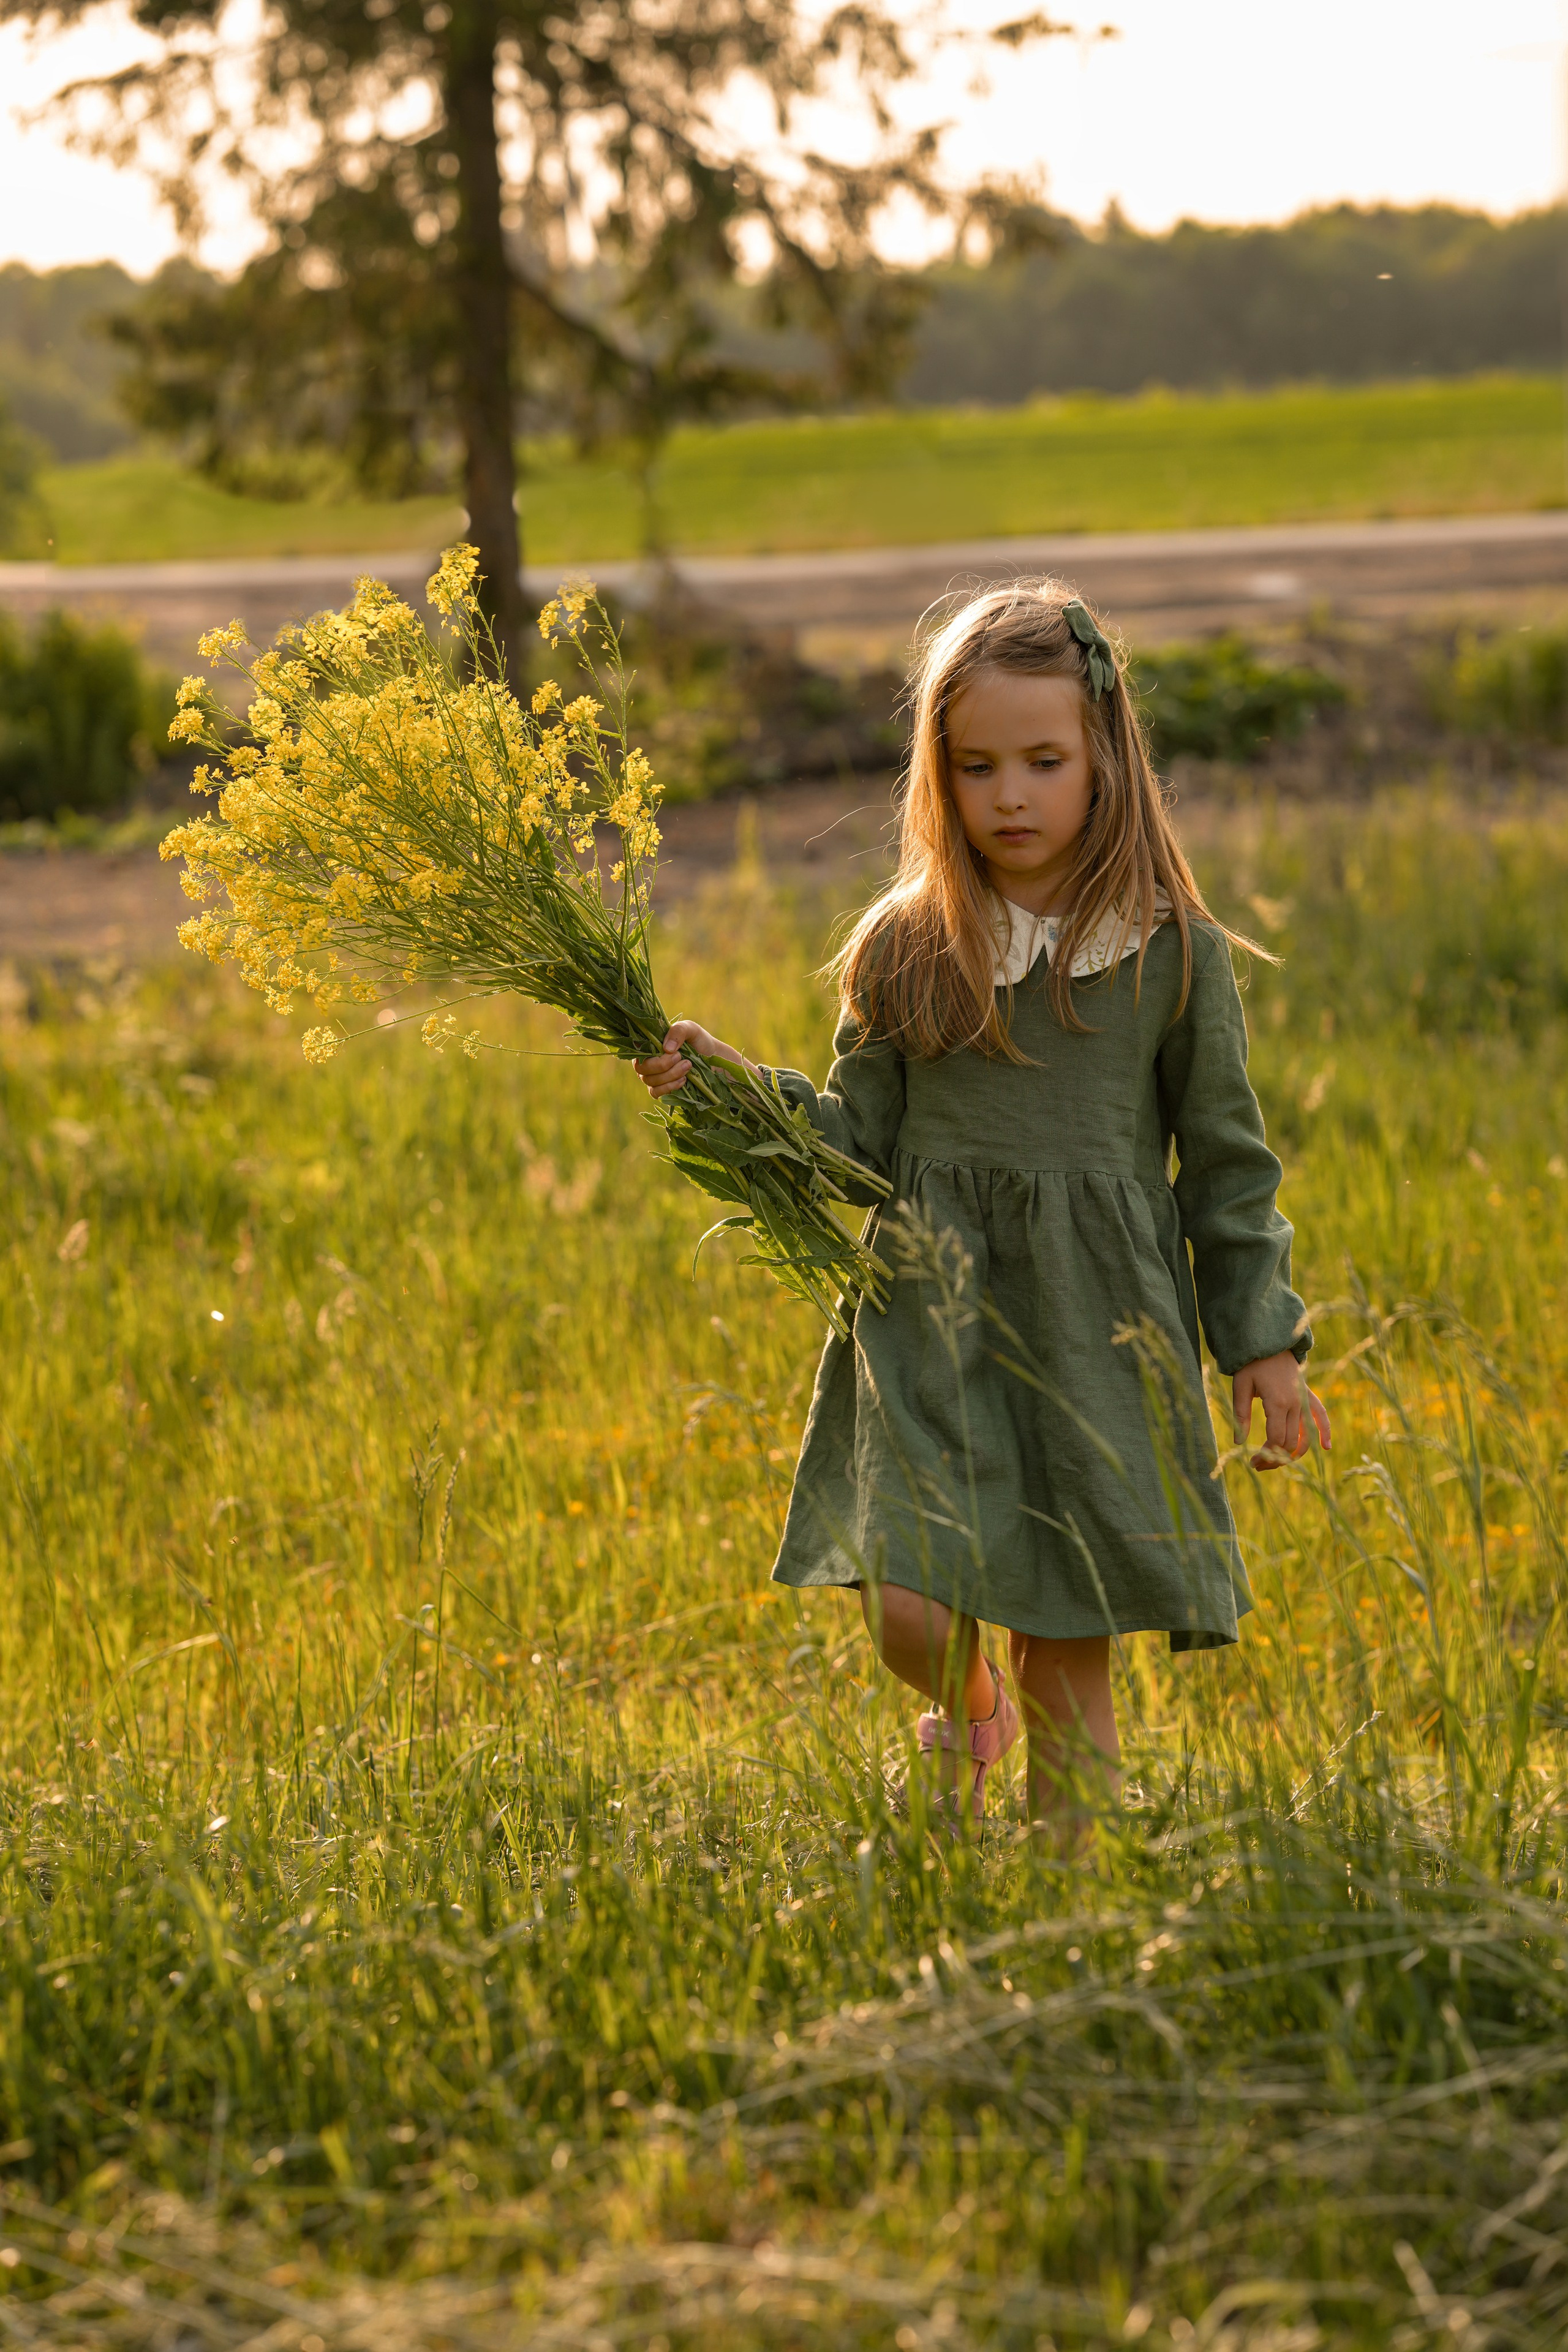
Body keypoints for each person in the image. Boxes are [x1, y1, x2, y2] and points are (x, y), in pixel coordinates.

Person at [635, 580, 1330, 1828]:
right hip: (928, 1316)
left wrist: (1261, 1345)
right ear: (936, 775)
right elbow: (851, 1148)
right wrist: (732, 1091)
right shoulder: (906, 946)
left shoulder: (1170, 954)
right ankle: (962, 1708)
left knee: (1065, 1637)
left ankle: (1073, 1907)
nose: (1009, 793)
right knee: (909, 1600)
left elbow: (1225, 1168)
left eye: (1042, 760)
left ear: (1103, 759)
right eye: (975, 765)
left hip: (1093, 1327)